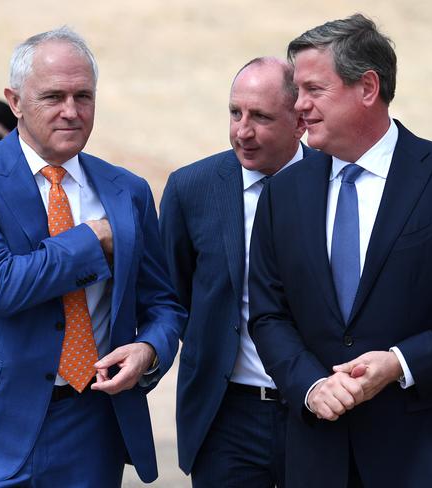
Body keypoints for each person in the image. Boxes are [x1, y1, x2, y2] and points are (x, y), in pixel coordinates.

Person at [247, 14, 432, 488]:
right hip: (322, 458)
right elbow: (269, 314)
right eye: (297, 91)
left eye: (314, 90)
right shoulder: (284, 193)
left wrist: (401, 362)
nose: (298, 106)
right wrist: (312, 386)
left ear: (367, 88)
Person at [0, 27, 184, 487]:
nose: (71, 112)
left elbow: (163, 303)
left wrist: (149, 349)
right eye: (53, 96)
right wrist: (91, 241)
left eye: (84, 96)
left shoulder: (128, 191)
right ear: (14, 101)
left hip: (91, 424)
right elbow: (0, 286)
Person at [160, 57, 312, 487]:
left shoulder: (335, 182)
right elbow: (171, 295)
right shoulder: (190, 189)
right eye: (235, 113)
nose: (242, 132)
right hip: (226, 416)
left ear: (299, 121)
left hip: (318, 411)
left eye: (260, 117)